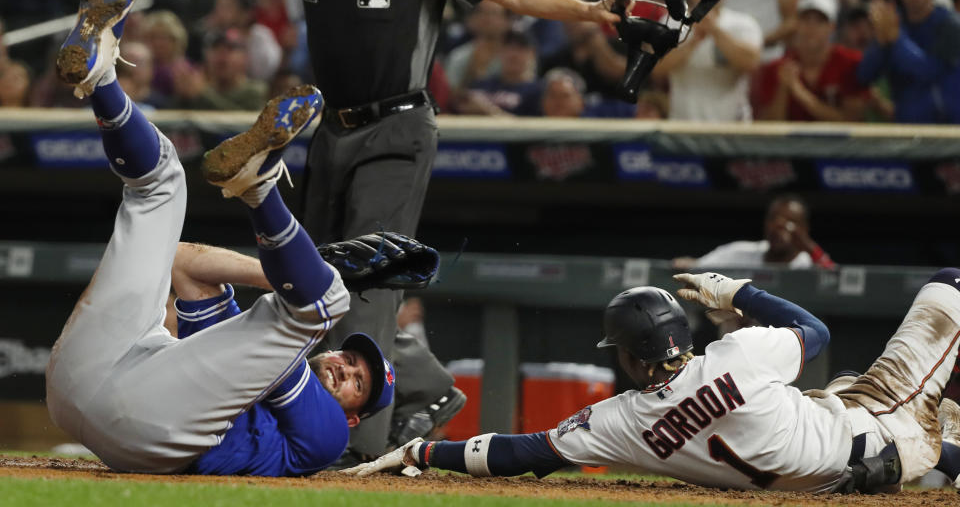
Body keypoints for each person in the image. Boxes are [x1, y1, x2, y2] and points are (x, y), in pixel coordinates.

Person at [123, 0, 620, 463]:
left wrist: (590, 12)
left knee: (368, 274)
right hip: (332, 128)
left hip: (398, 125)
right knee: (316, 277)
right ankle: (427, 387)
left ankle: (360, 445)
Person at [45, 0, 399, 476]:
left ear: (353, 418)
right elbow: (185, 262)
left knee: (327, 302)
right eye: (350, 360)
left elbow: (305, 319)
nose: (343, 367)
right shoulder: (238, 359)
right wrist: (291, 270)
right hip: (90, 380)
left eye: (357, 382)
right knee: (161, 183)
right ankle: (101, 79)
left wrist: (310, 278)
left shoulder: (324, 437)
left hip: (151, 429)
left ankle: (259, 190)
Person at [345, 271, 960, 495]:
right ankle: (940, 447)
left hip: (835, 461)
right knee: (950, 284)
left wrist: (425, 450)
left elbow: (519, 454)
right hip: (881, 429)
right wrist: (740, 293)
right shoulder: (738, 352)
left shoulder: (621, 423)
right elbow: (814, 330)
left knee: (842, 393)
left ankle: (948, 453)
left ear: (633, 358)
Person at [651, 0, 762, 122]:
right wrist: (693, 41)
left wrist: (715, 30)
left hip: (731, 125)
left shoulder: (743, 23)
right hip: (683, 122)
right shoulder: (670, 21)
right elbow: (655, 69)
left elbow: (751, 63)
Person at [859, 0, 960, 124]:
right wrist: (881, 43)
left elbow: (929, 72)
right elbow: (864, 75)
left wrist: (896, 39)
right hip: (906, 127)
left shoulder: (950, 25)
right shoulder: (892, 21)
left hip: (947, 128)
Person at [753, 0, 866, 122]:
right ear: (797, 25)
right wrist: (783, 89)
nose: (811, 27)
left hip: (839, 143)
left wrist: (799, 91)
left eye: (820, 21)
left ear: (832, 27)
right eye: (805, 19)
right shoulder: (776, 68)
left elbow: (851, 121)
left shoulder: (851, 62)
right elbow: (769, 128)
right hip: (790, 143)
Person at [674, 195, 835, 271]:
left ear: (804, 229)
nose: (779, 228)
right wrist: (689, 264)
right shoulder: (742, 251)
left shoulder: (808, 263)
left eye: (789, 222)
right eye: (773, 219)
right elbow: (698, 267)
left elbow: (835, 280)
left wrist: (808, 246)